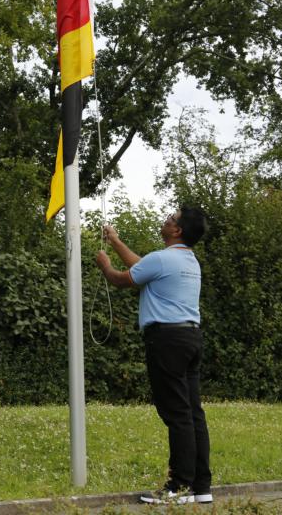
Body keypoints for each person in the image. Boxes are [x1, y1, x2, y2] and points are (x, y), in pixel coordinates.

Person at [95, 207, 212, 505]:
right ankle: (201, 487)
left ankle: (178, 487)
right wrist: (116, 241)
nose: (166, 219)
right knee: (193, 413)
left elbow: (123, 279)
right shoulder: (188, 261)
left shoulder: (162, 259)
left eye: (171, 218)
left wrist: (105, 265)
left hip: (167, 340)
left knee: (177, 415)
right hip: (190, 338)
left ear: (177, 231)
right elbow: (142, 268)